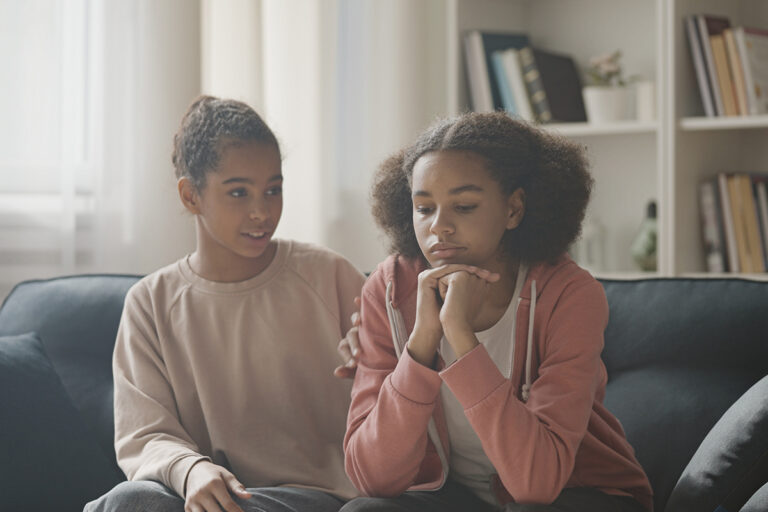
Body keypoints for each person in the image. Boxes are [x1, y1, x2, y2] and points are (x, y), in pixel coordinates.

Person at [339, 112, 653, 512]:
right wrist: (421, 343)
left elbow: (536, 484)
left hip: (574, 494)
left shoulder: (570, 294)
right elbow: (372, 478)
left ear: (514, 209)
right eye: (424, 208)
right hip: (455, 495)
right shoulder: (389, 289)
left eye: (464, 206)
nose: (439, 226)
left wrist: (460, 336)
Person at [85, 96, 366, 512]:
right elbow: (144, 434)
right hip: (216, 495)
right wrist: (191, 469)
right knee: (130, 501)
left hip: (321, 497)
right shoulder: (150, 304)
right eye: (238, 192)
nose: (262, 211)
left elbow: (406, 386)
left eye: (273, 189)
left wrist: (379, 358)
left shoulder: (329, 275)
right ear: (190, 196)